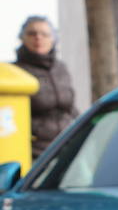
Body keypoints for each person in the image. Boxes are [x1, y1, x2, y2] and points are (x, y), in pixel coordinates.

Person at [13, 16, 77, 160]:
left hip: (67, 144)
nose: (38, 38)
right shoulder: (15, 72)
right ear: (22, 38)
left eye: (44, 34)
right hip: (35, 152)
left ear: (53, 39)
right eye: (32, 33)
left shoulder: (61, 68)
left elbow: (71, 108)